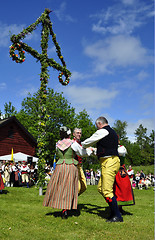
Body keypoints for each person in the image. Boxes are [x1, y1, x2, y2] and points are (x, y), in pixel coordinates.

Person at [43, 126, 93, 219]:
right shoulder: (73, 143)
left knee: (59, 187)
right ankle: (65, 210)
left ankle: (61, 206)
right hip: (70, 167)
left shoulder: (57, 144)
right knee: (69, 188)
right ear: (69, 134)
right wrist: (90, 150)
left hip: (59, 167)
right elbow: (82, 153)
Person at [82, 116, 123, 222]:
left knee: (106, 190)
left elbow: (88, 141)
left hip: (109, 162)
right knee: (101, 188)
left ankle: (117, 215)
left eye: (97, 126)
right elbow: (105, 149)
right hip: (110, 161)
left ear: (100, 124)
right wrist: (95, 150)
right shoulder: (111, 132)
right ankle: (114, 210)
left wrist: (82, 145)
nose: (97, 128)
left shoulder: (103, 131)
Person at [114, 144, 135, 213]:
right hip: (113, 170)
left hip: (120, 171)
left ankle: (119, 208)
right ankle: (115, 207)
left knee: (122, 188)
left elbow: (121, 152)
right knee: (115, 189)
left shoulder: (121, 147)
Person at [73, 128, 87, 195]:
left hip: (80, 165)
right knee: (77, 187)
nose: (79, 134)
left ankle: (72, 199)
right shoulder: (72, 142)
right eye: (77, 133)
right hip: (74, 165)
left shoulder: (81, 143)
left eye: (80, 133)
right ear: (73, 134)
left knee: (84, 186)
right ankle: (71, 202)